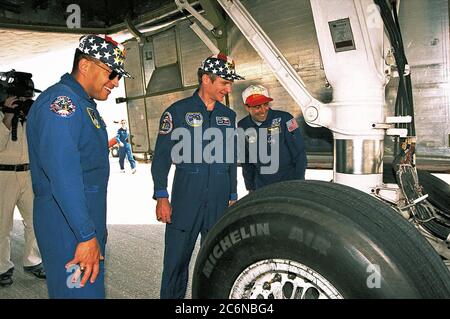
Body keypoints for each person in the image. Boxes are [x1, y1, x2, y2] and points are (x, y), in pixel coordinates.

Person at [26, 34, 131, 298]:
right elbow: (63, 176)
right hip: (68, 226)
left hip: (80, 222)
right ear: (85, 65)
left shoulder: (84, 105)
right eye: (112, 74)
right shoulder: (63, 105)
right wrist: (85, 235)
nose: (116, 83)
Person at [151, 53, 244, 299]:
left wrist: (233, 194)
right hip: (186, 199)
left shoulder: (229, 116)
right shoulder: (177, 112)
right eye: (224, 82)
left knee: (216, 261)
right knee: (176, 261)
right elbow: (161, 158)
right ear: (206, 79)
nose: (228, 87)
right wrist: (161, 196)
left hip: (219, 199)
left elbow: (231, 159)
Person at [0, 70, 46, 287]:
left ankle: (33, 260)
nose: (26, 101)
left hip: (28, 174)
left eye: (28, 97)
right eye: (22, 97)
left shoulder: (31, 115)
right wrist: (8, 117)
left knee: (36, 220)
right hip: (3, 175)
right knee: (2, 225)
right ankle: (2, 268)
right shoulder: (2, 114)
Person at [238, 84, 307, 191]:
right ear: (246, 107)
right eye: (257, 107)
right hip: (261, 187)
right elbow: (246, 160)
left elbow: (300, 154)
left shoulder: (287, 119)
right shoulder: (242, 126)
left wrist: (298, 183)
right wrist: (250, 187)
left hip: (289, 185)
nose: (263, 110)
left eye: (265, 104)